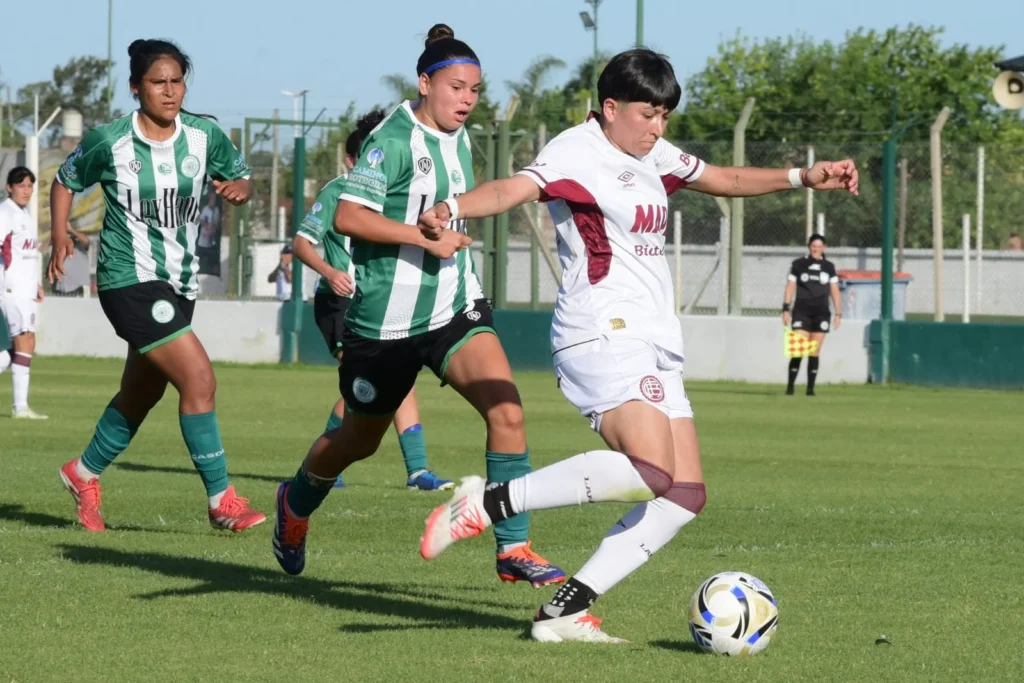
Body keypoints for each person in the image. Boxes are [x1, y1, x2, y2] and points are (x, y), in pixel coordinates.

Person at [417, 48, 859, 642]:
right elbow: (511, 190)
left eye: (666, 117)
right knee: (650, 470)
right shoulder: (577, 150)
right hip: (600, 332)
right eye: (648, 114)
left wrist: (805, 177)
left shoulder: (653, 153)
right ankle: (485, 504)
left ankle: (564, 612)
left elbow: (723, 179)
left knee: (683, 494)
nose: (658, 128)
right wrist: (451, 208)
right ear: (610, 108)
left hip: (654, 341)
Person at [272, 23, 565, 588]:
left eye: (475, 91)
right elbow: (348, 218)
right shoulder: (392, 140)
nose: (467, 101)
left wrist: (447, 228)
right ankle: (296, 502)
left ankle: (514, 546)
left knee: (507, 410)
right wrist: (422, 235)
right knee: (358, 440)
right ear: (425, 83)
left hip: (454, 307)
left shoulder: (458, 138)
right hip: (383, 323)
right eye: (457, 88)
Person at [48, 38, 265, 533]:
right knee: (199, 380)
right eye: (157, 82)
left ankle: (82, 473)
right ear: (135, 88)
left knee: (140, 394)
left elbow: (244, 177)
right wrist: (61, 234)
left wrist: (240, 190)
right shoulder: (111, 141)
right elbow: (65, 179)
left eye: (177, 81)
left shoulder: (205, 135)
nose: (169, 92)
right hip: (129, 281)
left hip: (180, 284)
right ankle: (221, 501)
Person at [292, 108, 454, 491]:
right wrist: (330, 273)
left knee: (395, 380)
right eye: (366, 156)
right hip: (339, 301)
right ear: (352, 161)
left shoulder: (394, 196)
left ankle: (416, 471)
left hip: (381, 297)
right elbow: (301, 243)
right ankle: (326, 464)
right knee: (367, 383)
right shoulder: (336, 193)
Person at [0, 166, 48, 419]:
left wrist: (36, 284)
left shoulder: (24, 214)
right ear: (9, 187)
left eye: (30, 186)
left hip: (25, 288)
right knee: (24, 340)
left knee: (24, 344)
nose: (26, 190)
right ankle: (20, 408)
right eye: (21, 185)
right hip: (11, 288)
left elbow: (26, 253)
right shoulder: (5, 212)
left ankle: (21, 406)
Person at [782, 233, 841, 396]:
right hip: (802, 311)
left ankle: (810, 389)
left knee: (814, 351)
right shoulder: (798, 264)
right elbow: (790, 287)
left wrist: (838, 313)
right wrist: (786, 309)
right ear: (809, 246)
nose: (816, 249)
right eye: (813, 246)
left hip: (821, 313)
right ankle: (790, 387)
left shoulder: (829, 267)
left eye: (819, 246)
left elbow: (835, 291)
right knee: (799, 349)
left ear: (824, 247)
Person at [53, 225, 91, 297]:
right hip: (61, 288)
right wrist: (55, 231)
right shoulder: (59, 243)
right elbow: (42, 248)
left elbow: (86, 241)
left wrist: (71, 230)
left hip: (79, 288)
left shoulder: (80, 244)